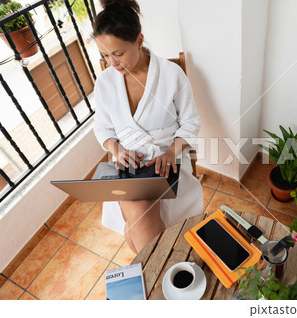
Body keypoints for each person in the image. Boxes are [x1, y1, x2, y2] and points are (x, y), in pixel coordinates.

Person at [92, 0, 203, 254]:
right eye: (105, 56)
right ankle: (163, 273)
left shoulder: (171, 74)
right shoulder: (105, 83)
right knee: (139, 214)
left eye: (118, 54)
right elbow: (103, 129)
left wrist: (170, 153)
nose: (112, 63)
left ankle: (156, 276)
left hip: (167, 163)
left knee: (136, 225)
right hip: (127, 165)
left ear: (139, 40)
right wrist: (117, 151)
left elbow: (190, 123)